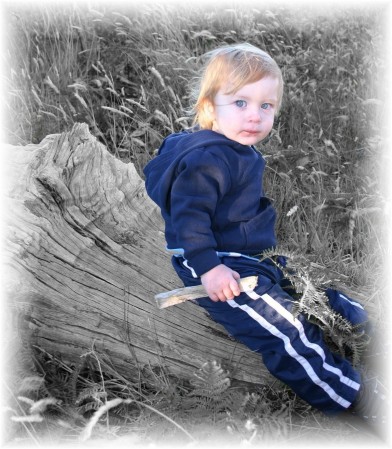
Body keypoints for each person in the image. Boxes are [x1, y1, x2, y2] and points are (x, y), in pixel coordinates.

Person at [143, 43, 386, 423]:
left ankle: (371, 337)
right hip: (218, 262)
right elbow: (189, 219)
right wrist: (209, 268)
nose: (254, 116)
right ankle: (352, 397)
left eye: (265, 106)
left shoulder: (236, 148)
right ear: (209, 107)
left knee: (317, 291)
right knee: (285, 327)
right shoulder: (207, 158)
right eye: (240, 103)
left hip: (252, 253)